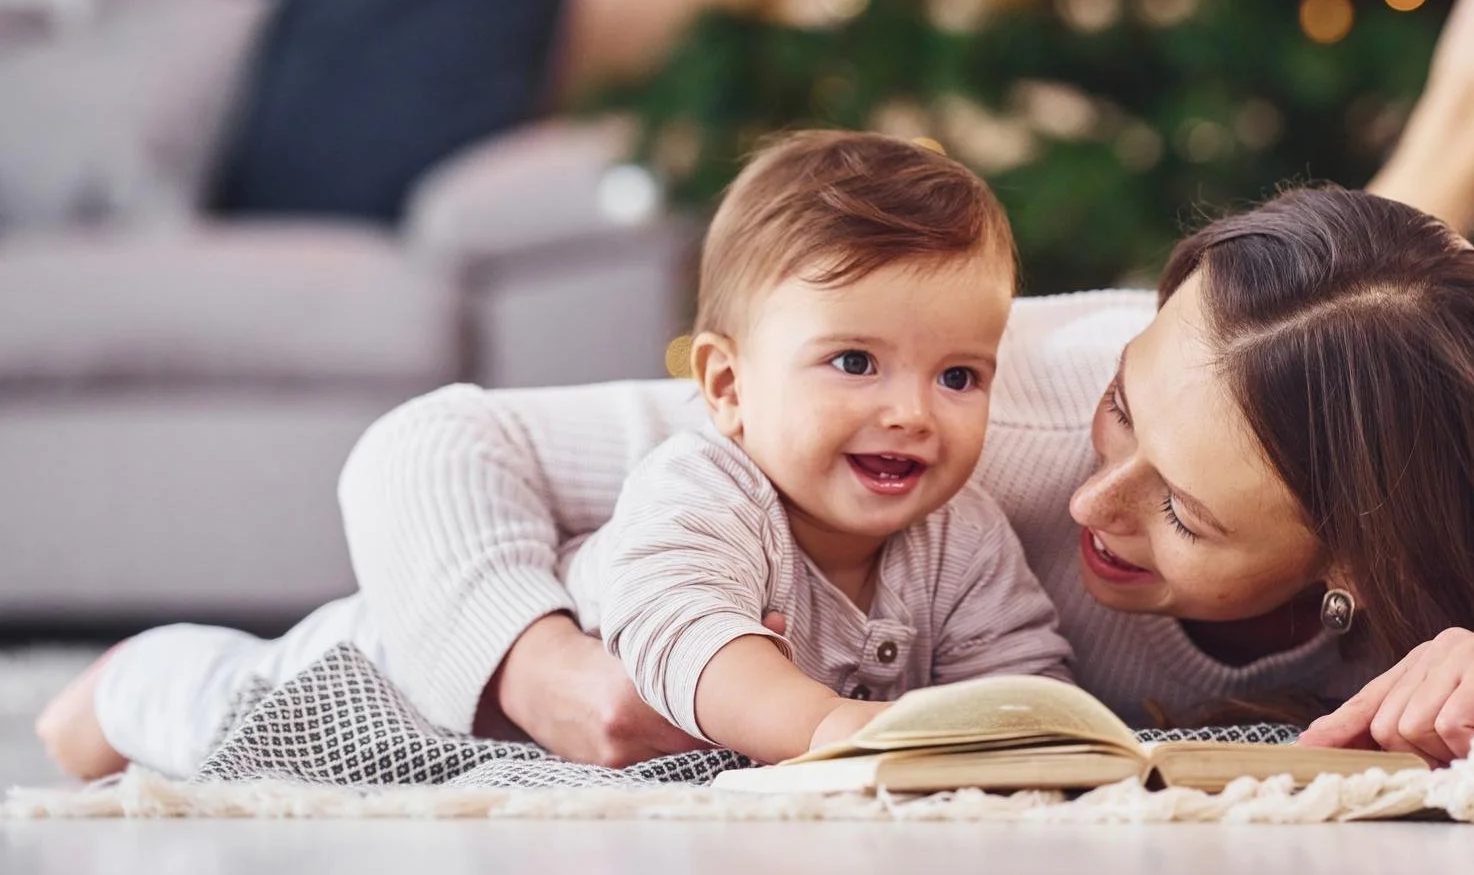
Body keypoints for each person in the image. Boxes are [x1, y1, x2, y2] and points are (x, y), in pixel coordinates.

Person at [54, 0, 1474, 795]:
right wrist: (557, 681)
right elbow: (437, 446)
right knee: (1347, 329)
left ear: (1354, 569)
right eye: (1136, 407)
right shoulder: (1007, 400)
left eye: (1185, 512)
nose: (1089, 500)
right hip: (1349, 374)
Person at [38, 132, 1073, 776]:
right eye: (854, 362)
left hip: (544, 759)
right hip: (394, 668)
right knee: (240, 719)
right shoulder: (705, 487)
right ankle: (131, 679)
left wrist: (1040, 742)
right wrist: (828, 728)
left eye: (958, 376)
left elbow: (1017, 668)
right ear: (724, 387)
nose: (911, 413)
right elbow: (686, 632)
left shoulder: (961, 532)